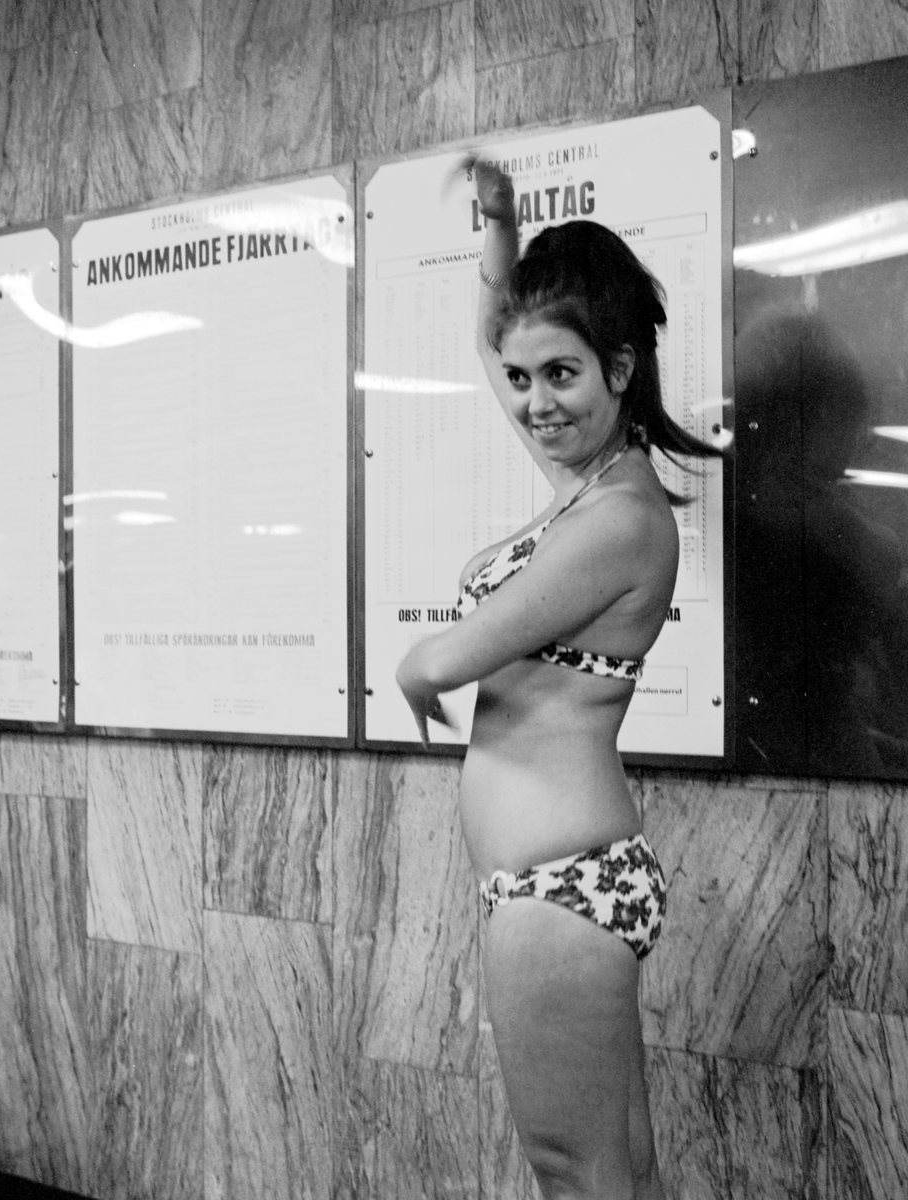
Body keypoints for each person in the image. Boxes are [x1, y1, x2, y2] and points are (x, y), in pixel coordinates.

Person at [396, 161, 720, 1199]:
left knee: (572, 1172)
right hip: (564, 879)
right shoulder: (587, 485)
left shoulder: (619, 520)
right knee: (621, 1173)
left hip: (559, 888)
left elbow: (448, 656)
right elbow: (496, 336)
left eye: (561, 375)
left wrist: (417, 672)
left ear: (620, 369)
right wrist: (501, 229)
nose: (534, 402)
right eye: (523, 377)